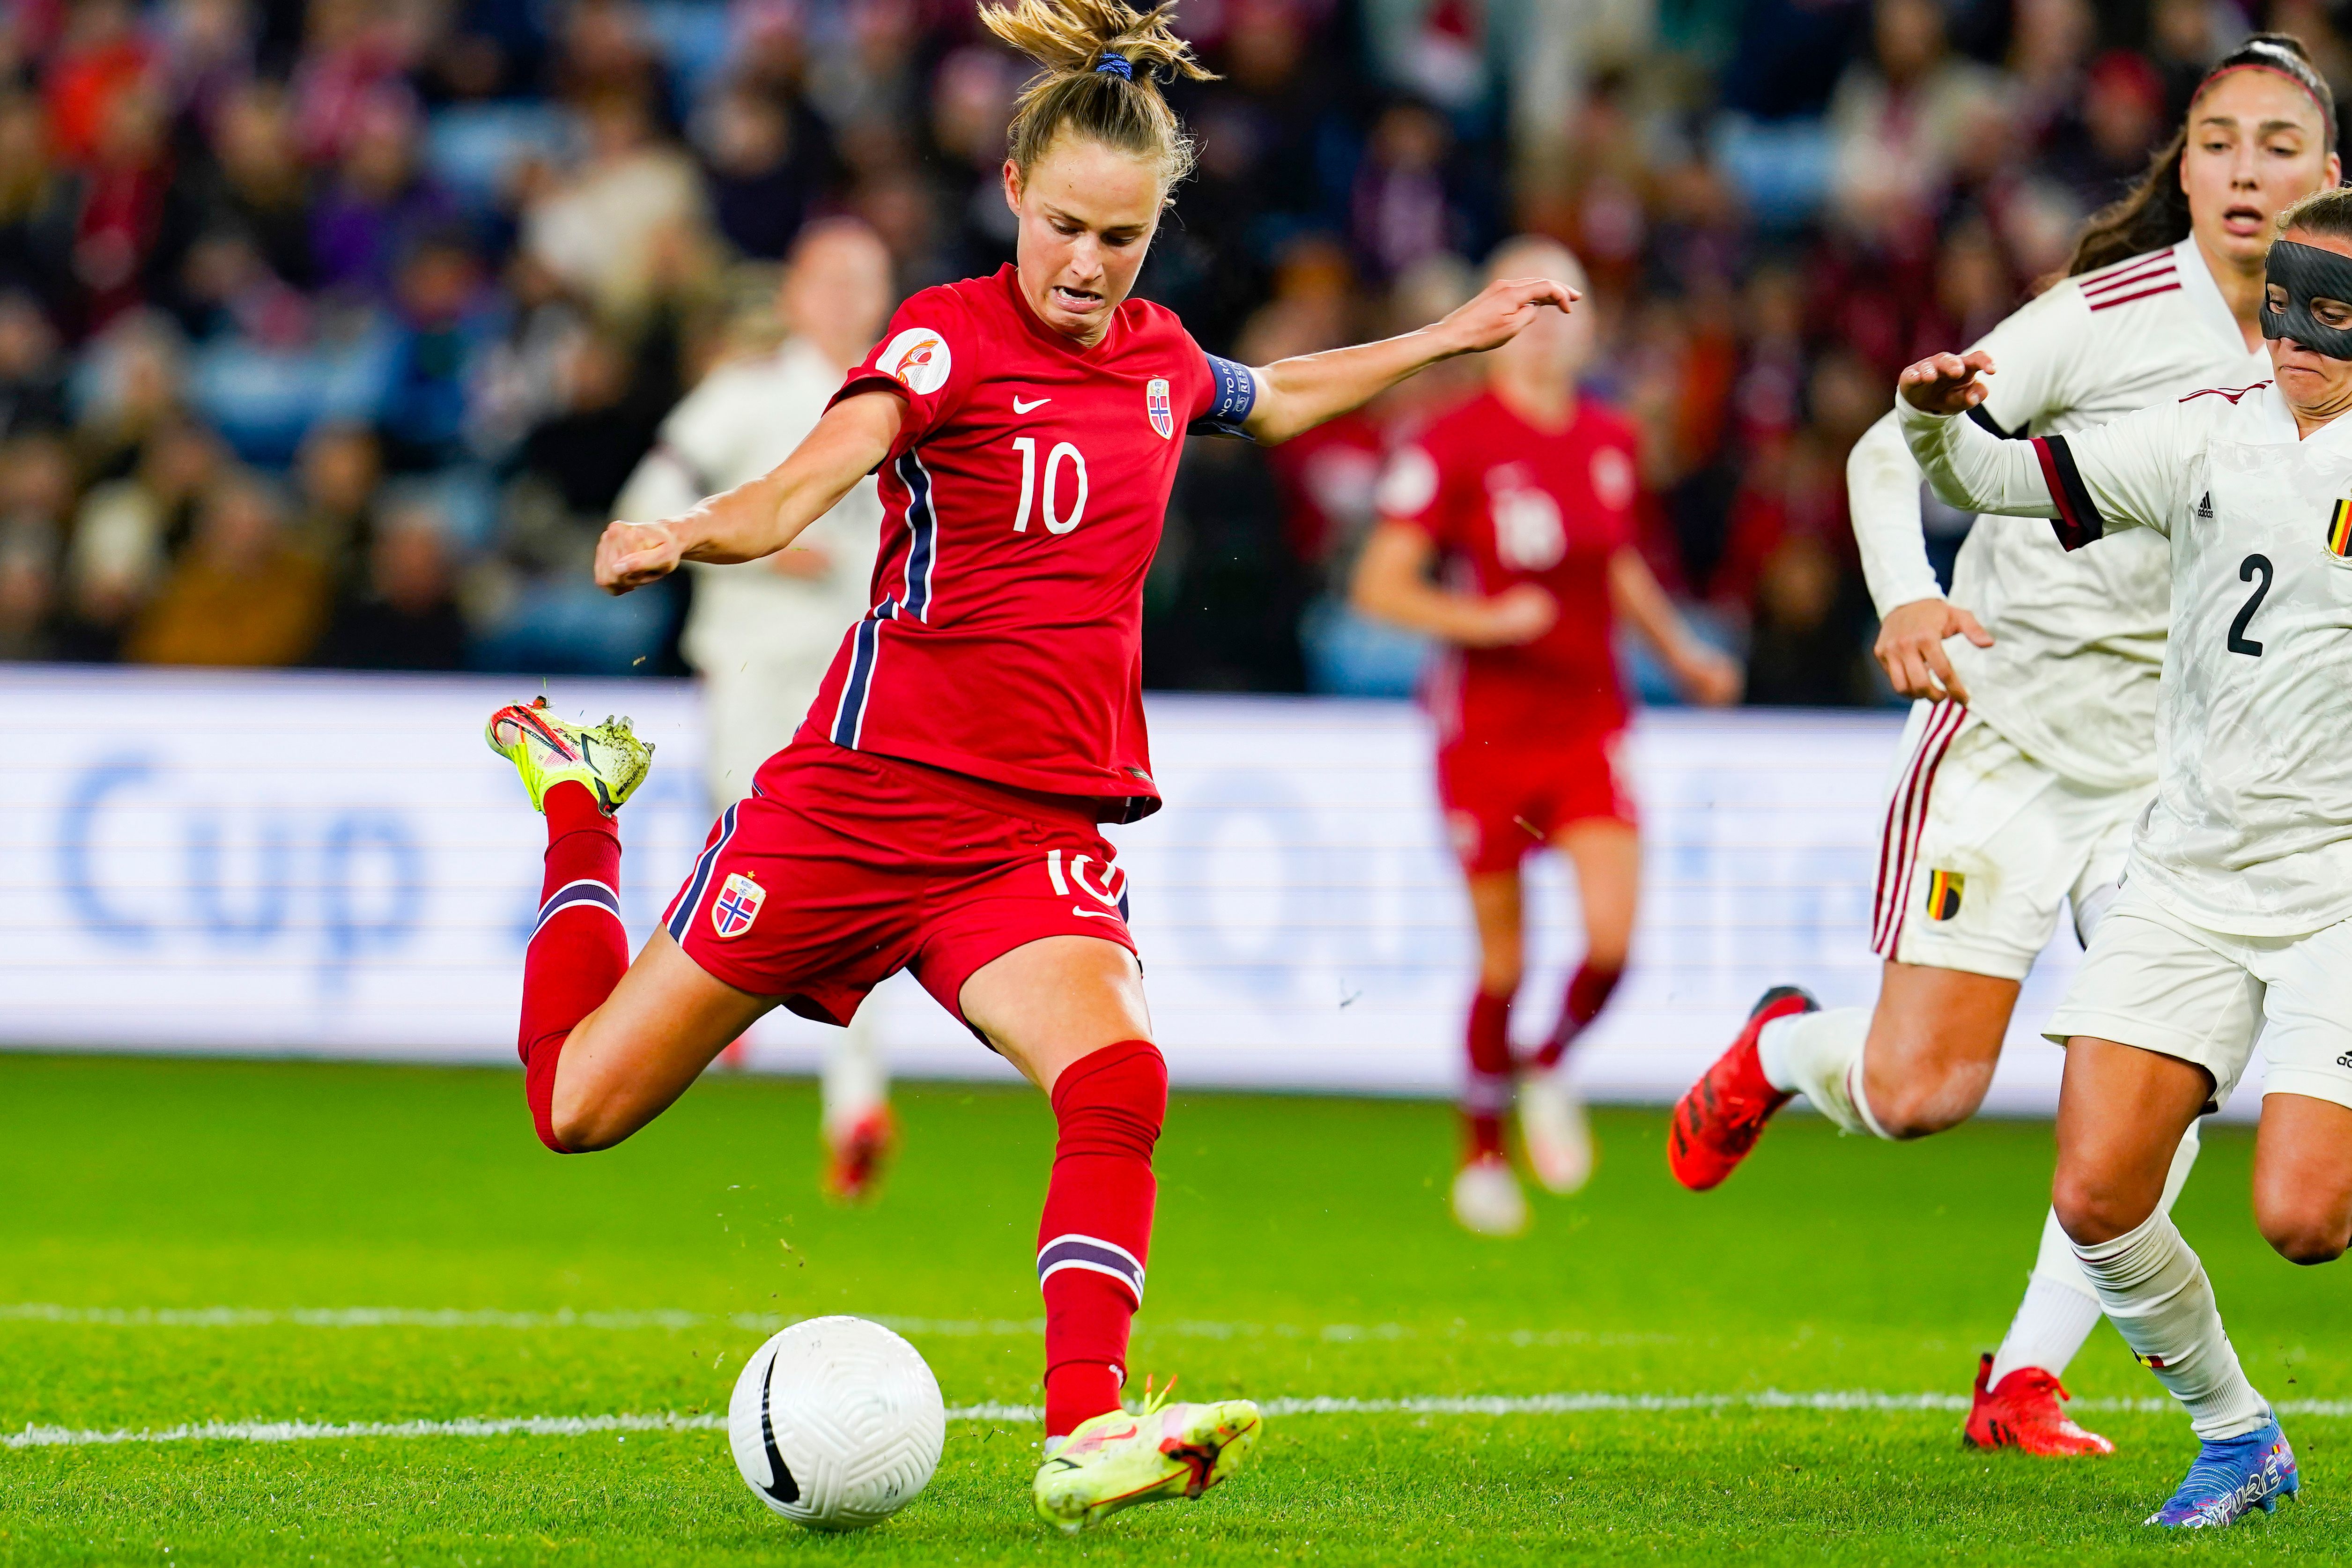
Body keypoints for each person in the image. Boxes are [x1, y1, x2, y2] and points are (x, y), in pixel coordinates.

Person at [481, 0, 1576, 1532]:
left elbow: (1277, 395)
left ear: (1154, 231)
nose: (1084, 263)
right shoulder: (944, 336)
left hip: (1023, 835)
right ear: (1012, 191)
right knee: (578, 1106)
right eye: (1063, 226)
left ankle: (1083, 1427)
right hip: (853, 804)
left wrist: (1448, 337)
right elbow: (802, 487)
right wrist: (682, 531)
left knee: (1118, 1070)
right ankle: (578, 804)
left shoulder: (1162, 361)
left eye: (1120, 238)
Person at [1664, 33, 2340, 1458]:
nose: (2244, 172)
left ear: (2328, 176)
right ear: (2183, 167)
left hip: (2175, 776)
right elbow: (1889, 445)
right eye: (2218, 143)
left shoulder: (2327, 351)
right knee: (1921, 1095)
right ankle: (1784, 1048)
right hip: (2013, 734)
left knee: (2154, 1086)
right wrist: (1906, 595)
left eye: (2278, 147)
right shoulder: (2102, 314)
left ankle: (2024, 1374)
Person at [1888, 180, 2352, 1530]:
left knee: (2304, 1218)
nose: (2298, 336)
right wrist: (1931, 421)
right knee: (2095, 1195)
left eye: (2333, 313)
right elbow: (1991, 481)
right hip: (2189, 873)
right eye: (2283, 305)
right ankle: (2236, 1434)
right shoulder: (2204, 431)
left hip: (2338, 886)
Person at [1352, 235, 1740, 1236]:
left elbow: (1614, 563)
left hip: (1587, 721)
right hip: (1484, 734)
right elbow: (1379, 585)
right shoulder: (1452, 441)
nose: (1541, 332)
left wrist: (1682, 653)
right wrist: (1483, 621)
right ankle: (1482, 1153)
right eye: (1522, 308)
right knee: (1503, 966)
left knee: (1612, 942)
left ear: (1590, 330)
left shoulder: (1609, 438)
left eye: (1561, 310)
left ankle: (1552, 1057)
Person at [612, 220, 900, 1203]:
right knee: (747, 857)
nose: (847, 299)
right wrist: (757, 549)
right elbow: (650, 499)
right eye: (830, 280)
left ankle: (854, 1105)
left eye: (865, 281)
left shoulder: (905, 398)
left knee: (856, 885)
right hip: (751, 666)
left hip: (860, 677)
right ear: (794, 297)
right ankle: (717, 1008)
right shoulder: (746, 396)